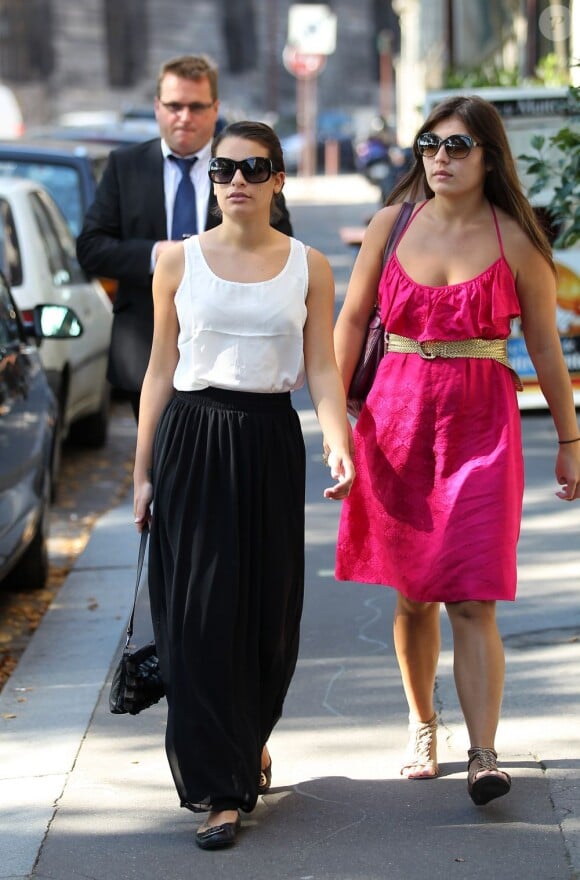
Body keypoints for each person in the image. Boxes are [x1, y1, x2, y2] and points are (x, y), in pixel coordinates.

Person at [333, 95, 580, 806]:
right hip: (396, 425)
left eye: (458, 146)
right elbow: (351, 321)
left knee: (473, 596)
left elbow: (546, 351)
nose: (440, 158)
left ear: (489, 158)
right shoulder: (392, 224)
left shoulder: (517, 241)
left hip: (482, 429)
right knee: (414, 597)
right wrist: (334, 430)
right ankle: (422, 724)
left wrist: (570, 441)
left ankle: (483, 752)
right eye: (430, 144)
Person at [133, 120, 354, 849]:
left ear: (278, 180)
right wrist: (141, 473)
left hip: (268, 443)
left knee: (266, 613)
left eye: (254, 168)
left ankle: (248, 739)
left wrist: (339, 442)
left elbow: (321, 365)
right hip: (192, 441)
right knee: (198, 619)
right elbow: (159, 369)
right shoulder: (177, 261)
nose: (236, 181)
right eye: (224, 169)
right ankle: (221, 793)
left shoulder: (308, 266)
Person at [76, 54, 293, 421]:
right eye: (174, 106)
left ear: (215, 108)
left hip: (229, 357)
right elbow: (91, 248)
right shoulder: (126, 166)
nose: (184, 117)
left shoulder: (247, 170)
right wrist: (158, 254)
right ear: (157, 107)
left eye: (196, 106)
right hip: (145, 349)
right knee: (158, 456)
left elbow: (280, 244)